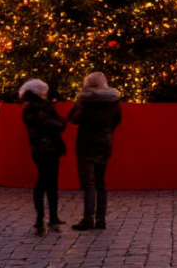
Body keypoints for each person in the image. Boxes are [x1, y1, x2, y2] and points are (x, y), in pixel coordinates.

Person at [69, 72, 122, 230]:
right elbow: (118, 119)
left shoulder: (84, 101)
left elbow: (73, 118)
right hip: (104, 143)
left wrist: (78, 99)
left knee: (88, 184)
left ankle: (88, 218)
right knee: (101, 183)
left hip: (86, 144)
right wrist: (107, 132)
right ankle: (101, 219)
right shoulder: (113, 101)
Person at [21, 78, 67, 234]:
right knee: (46, 182)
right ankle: (45, 216)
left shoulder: (31, 107)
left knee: (47, 181)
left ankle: (45, 216)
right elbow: (54, 124)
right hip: (47, 148)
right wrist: (61, 122)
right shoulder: (38, 108)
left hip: (41, 148)